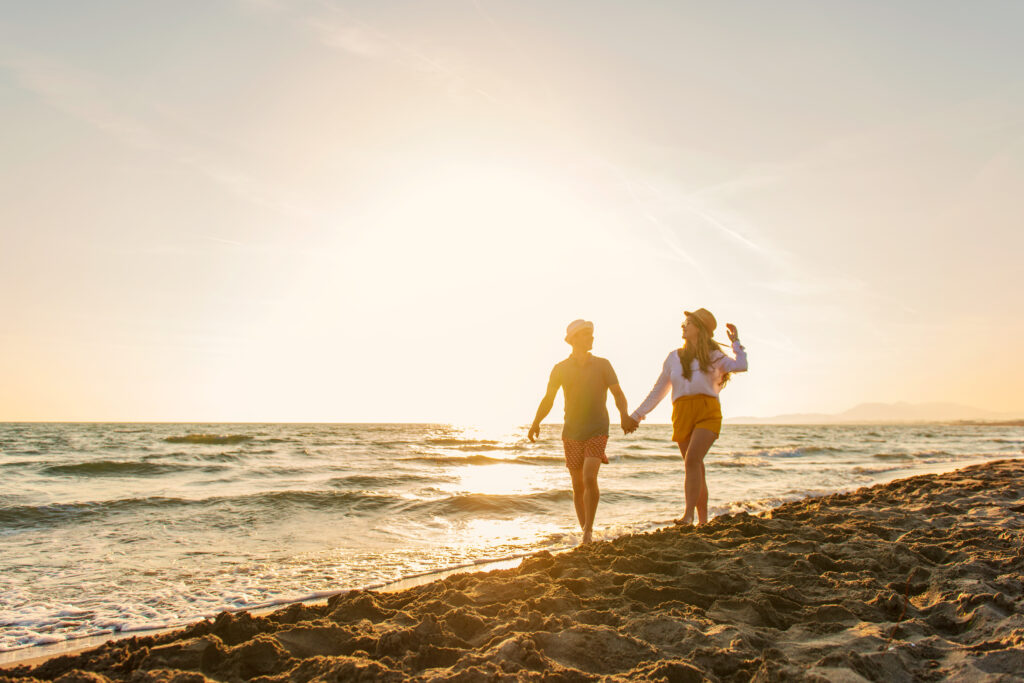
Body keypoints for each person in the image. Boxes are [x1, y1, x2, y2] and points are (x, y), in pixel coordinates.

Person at [622, 308, 747, 526]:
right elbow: (658, 391)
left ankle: (688, 515)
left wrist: (736, 343)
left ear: (699, 328)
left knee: (692, 460)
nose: (683, 326)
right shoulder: (673, 358)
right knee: (695, 466)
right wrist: (636, 416)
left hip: (707, 411)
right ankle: (703, 520)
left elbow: (741, 365)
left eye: (688, 323)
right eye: (684, 323)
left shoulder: (714, 356)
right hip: (681, 413)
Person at [528, 319, 632, 544]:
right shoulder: (560, 369)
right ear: (573, 339)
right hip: (572, 431)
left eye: (592, 335)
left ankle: (587, 531)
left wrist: (624, 415)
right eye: (587, 334)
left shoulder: (603, 364)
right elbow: (549, 398)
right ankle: (585, 530)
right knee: (577, 485)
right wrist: (536, 422)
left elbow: (618, 394)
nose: (592, 338)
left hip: (597, 428)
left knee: (588, 477)